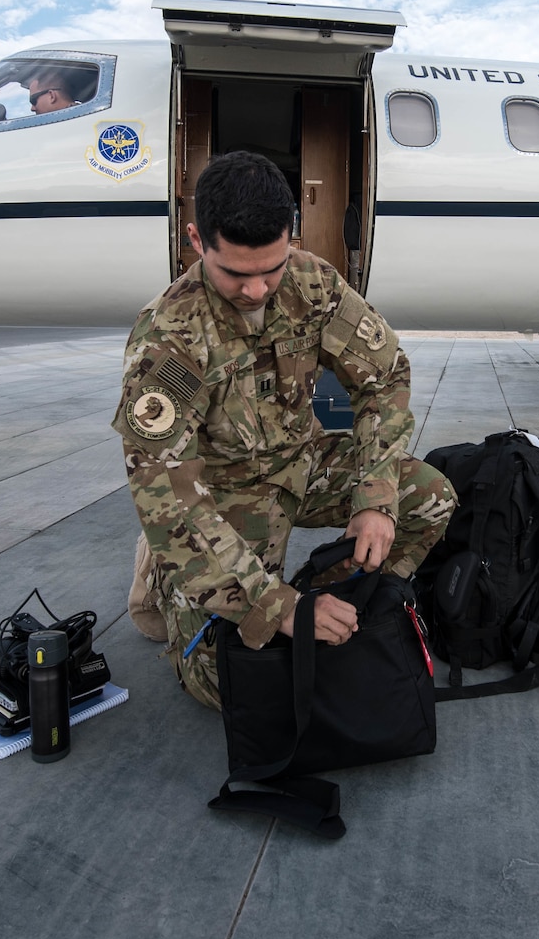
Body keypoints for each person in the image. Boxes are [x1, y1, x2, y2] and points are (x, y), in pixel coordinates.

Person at [114, 151, 456, 709]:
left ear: (290, 237)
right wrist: (278, 609)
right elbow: (167, 495)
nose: (256, 290)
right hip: (222, 496)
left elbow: (385, 376)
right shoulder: (169, 340)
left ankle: (334, 607)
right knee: (226, 684)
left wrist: (375, 494)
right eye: (236, 274)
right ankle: (168, 574)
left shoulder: (312, 283)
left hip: (304, 462)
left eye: (270, 269)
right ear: (198, 241)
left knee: (430, 497)